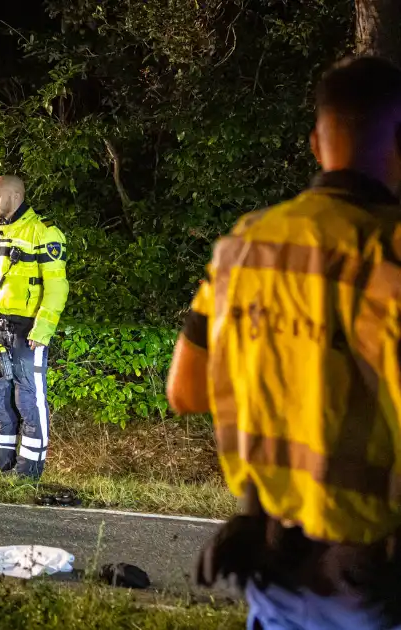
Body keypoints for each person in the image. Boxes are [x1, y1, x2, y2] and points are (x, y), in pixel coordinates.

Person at [167, 55, 401, 629]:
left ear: (316, 145)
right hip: (375, 576)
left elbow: (186, 390)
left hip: (272, 559)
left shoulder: (244, 247)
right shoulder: (390, 253)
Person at [0, 175, 69, 478]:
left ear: (15, 195)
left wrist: (42, 329)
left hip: (27, 329)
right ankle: (1, 464)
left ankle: (29, 471)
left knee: (29, 398)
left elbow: (57, 287)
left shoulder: (43, 232)